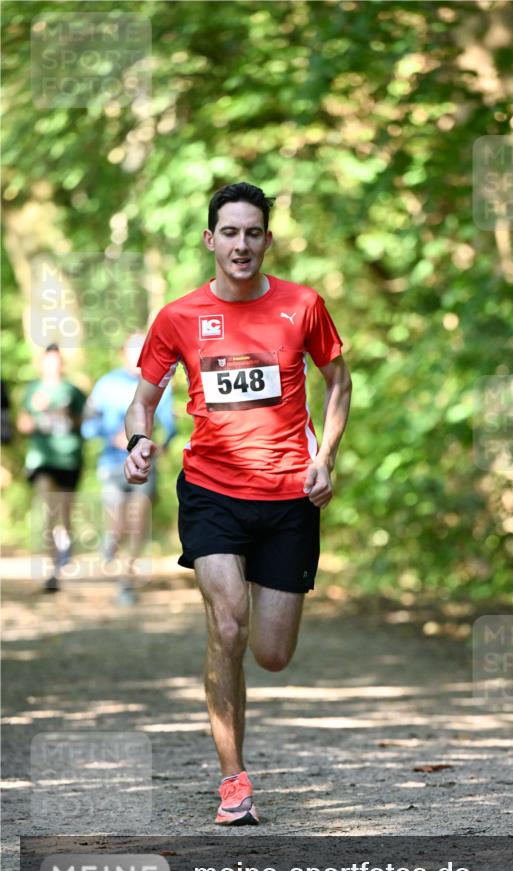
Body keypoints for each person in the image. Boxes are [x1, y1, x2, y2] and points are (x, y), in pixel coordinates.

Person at [123, 181, 352, 825]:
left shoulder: (303, 306)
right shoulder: (179, 317)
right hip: (211, 491)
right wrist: (140, 442)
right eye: (230, 232)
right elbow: (143, 400)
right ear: (209, 239)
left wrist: (325, 458)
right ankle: (234, 782)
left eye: (253, 232)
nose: (242, 244)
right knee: (227, 624)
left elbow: (338, 382)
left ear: (267, 240)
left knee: (273, 654)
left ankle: (242, 723)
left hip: (288, 497)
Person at [83, 333, 176, 605]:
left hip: (144, 463)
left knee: (138, 520)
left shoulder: (161, 384)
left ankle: (127, 580)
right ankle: (111, 540)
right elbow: (88, 425)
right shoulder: (106, 384)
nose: (137, 359)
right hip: (112, 464)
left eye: (141, 352)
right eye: (132, 352)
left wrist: (159, 443)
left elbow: (169, 425)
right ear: (122, 354)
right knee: (118, 521)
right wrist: (112, 437)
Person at [17, 344, 86, 592]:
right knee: (48, 510)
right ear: (42, 363)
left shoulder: (73, 391)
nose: (53, 366)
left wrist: (69, 415)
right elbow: (22, 425)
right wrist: (37, 410)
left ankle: (64, 551)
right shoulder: (33, 390)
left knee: (64, 515)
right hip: (42, 459)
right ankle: (51, 571)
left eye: (57, 361)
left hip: (69, 459)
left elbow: (85, 423)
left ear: (62, 363)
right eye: (49, 361)